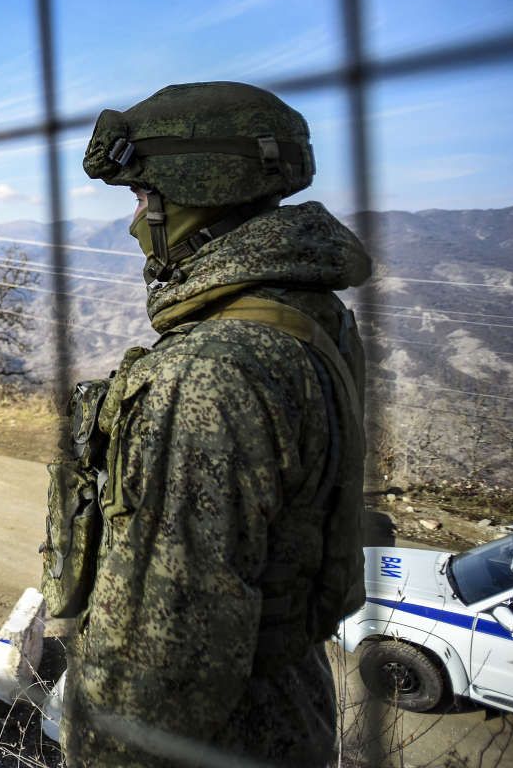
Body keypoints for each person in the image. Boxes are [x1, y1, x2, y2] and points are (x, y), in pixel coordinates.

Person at [46, 82, 370, 767]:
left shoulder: (206, 373)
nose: (135, 221)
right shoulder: (311, 319)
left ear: (192, 196)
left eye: (141, 198)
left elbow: (157, 672)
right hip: (291, 712)